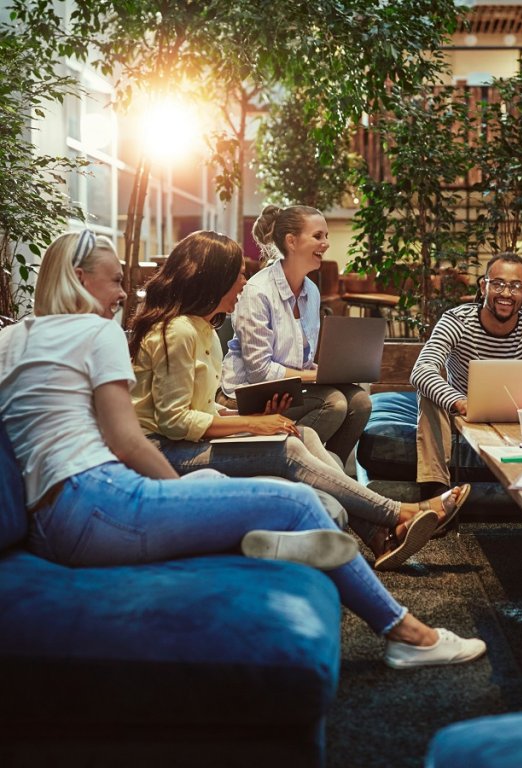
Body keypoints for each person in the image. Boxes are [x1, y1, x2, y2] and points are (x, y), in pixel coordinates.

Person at [0, 229, 486, 669]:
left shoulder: (10, 339)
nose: (125, 293)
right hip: (98, 502)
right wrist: (176, 500)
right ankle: (408, 633)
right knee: (293, 500)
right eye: (114, 281)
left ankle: (256, 540)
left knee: (211, 481)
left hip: (51, 524)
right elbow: (125, 440)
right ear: (78, 278)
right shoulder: (97, 331)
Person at [129, 230, 471, 571]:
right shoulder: (177, 332)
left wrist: (257, 418)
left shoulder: (203, 329)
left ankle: (382, 537)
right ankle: (400, 512)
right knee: (287, 449)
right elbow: (174, 423)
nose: (244, 282)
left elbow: (201, 406)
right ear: (213, 278)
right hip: (166, 452)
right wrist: (251, 424)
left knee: (303, 435)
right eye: (238, 274)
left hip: (186, 442)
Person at [411, 252, 522, 498]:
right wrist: (460, 402)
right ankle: (434, 493)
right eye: (498, 284)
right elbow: (422, 369)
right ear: (483, 287)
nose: (506, 293)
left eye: (516, 286)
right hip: (463, 414)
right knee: (428, 394)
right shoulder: (456, 320)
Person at [219, 204, 368, 466]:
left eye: (326, 236)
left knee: (360, 401)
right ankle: (292, 464)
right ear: (292, 241)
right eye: (318, 236)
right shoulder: (257, 292)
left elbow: (303, 361)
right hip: (247, 392)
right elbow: (260, 373)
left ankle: (328, 468)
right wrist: (319, 376)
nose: (326, 243)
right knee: (333, 403)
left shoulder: (312, 292)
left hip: (291, 387)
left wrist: (337, 371)